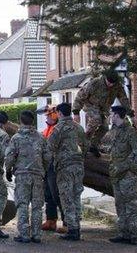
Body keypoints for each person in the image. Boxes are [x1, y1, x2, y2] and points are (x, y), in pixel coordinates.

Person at [5, 110, 50, 244]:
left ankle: (24, 234)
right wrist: (43, 169)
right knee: (37, 205)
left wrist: (8, 170)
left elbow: (10, 157)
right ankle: (36, 235)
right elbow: (47, 157)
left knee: (22, 204)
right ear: (33, 122)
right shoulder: (41, 137)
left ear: (20, 121)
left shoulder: (16, 138)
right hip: (37, 175)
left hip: (22, 175)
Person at [103, 105, 137, 245]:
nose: (110, 116)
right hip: (116, 174)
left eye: (111, 114)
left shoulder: (130, 132)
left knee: (131, 206)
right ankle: (123, 233)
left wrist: (129, 169)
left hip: (127, 176)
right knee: (119, 205)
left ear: (117, 115)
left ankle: (135, 236)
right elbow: (113, 149)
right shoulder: (114, 131)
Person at [48, 102, 88, 241]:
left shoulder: (58, 128)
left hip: (65, 167)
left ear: (59, 113)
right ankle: (77, 226)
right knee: (76, 196)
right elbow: (85, 146)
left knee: (66, 198)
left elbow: (50, 147)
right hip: (78, 166)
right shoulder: (79, 128)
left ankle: (72, 229)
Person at [72, 70, 132, 157]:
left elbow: (123, 99)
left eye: (112, 83)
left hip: (103, 109)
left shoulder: (117, 86)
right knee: (96, 119)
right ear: (105, 78)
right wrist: (76, 112)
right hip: (90, 105)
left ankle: (93, 145)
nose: (110, 85)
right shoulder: (94, 83)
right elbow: (80, 96)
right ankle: (83, 144)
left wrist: (130, 113)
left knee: (105, 128)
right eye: (109, 82)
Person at [37, 106, 66, 233]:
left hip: (56, 166)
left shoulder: (58, 130)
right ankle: (51, 220)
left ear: (55, 115)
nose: (47, 117)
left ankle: (66, 222)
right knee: (48, 194)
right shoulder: (45, 131)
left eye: (49, 115)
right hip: (47, 167)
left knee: (57, 194)